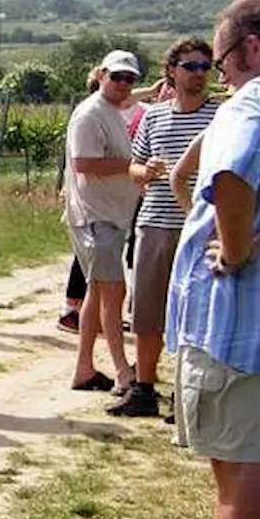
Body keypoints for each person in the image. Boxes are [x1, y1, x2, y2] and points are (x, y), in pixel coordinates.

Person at [167, 0, 260, 519]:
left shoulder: (255, 99)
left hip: (241, 325)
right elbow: (186, 178)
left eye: (223, 59)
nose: (218, 74)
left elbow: (229, 175)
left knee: (240, 477)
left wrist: (232, 250)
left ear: (255, 50)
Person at [113, 37, 219, 418]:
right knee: (147, 308)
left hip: (202, 226)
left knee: (195, 311)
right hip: (155, 222)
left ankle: (184, 392)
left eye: (206, 67)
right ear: (171, 71)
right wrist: (148, 171)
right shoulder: (154, 116)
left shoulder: (220, 115)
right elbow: (133, 168)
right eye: (191, 66)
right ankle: (144, 387)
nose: (199, 74)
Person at [64, 50, 143, 396]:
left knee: (97, 294)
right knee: (114, 293)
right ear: (100, 75)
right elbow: (84, 162)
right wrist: (133, 165)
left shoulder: (109, 108)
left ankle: (84, 368)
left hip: (105, 217)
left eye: (130, 79)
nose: (124, 84)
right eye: (117, 77)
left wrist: (149, 92)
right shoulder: (90, 114)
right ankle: (124, 372)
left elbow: (126, 100)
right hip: (97, 219)